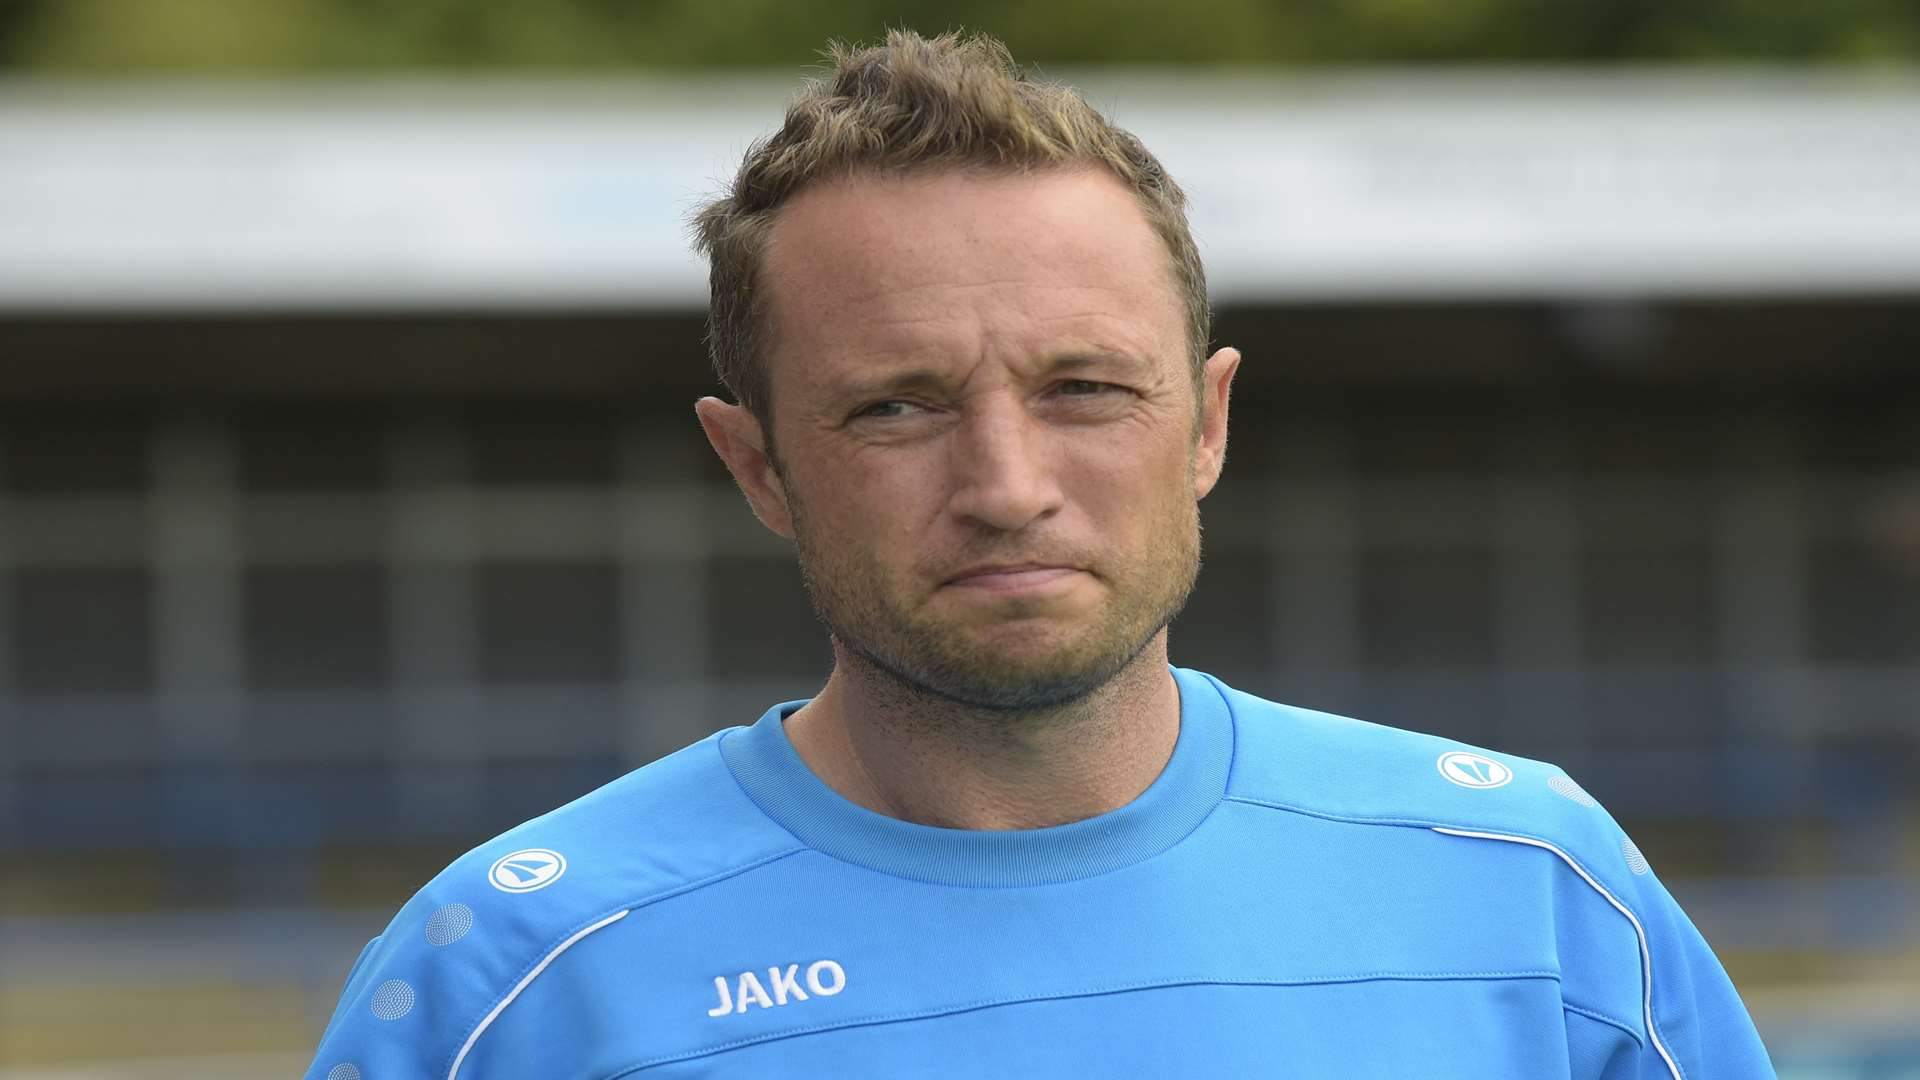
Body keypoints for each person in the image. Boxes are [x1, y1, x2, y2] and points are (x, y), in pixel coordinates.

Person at [306, 29, 1774, 1079]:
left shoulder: (1529, 886)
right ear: (757, 466)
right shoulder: (516, 973)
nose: (1007, 487)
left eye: (1085, 389)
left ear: (1203, 426)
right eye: (897, 408)